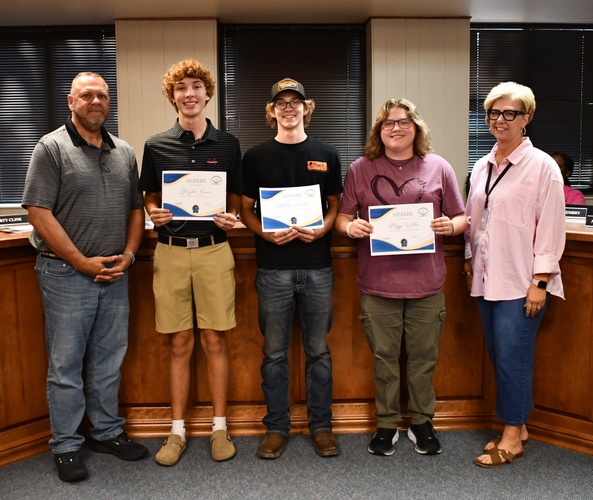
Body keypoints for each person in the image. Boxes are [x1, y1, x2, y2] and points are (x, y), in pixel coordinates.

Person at [22, 72, 148, 482]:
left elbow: (135, 209)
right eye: (87, 95)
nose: (96, 101)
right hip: (65, 275)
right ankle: (66, 444)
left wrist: (129, 255)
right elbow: (39, 212)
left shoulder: (123, 151)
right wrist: (80, 261)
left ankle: (106, 431)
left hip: (115, 273)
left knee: (108, 361)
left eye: (103, 96)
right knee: (66, 364)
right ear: (71, 101)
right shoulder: (51, 147)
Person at [335, 98, 467, 457]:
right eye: (388, 123)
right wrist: (353, 228)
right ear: (379, 130)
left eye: (404, 122)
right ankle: (387, 424)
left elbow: (462, 217)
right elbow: (342, 218)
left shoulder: (438, 167)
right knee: (384, 358)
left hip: (427, 282)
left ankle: (422, 422)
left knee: (424, 358)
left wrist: (449, 225)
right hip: (379, 283)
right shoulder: (361, 168)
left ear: (417, 127)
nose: (396, 128)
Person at [139, 59, 243, 465]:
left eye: (196, 85)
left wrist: (231, 216)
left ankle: (220, 427)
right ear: (173, 97)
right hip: (170, 252)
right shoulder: (156, 144)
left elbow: (235, 197)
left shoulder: (228, 144)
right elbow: (149, 195)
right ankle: (177, 431)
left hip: (215, 250)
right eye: (181, 87)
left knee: (215, 339)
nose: (189, 93)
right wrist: (154, 211)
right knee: (179, 341)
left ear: (207, 93)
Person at [464, 81, 565, 467]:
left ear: (527, 118)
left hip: (522, 281)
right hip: (487, 278)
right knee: (499, 354)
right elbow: (476, 219)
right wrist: (469, 257)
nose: (500, 120)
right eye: (494, 112)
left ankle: (513, 436)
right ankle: (518, 426)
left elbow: (551, 229)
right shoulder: (482, 163)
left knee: (513, 358)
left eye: (510, 113)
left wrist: (540, 282)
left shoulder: (542, 167)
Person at [240, 78, 343, 459]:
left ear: (306, 109)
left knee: (319, 352)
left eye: (295, 102)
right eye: (280, 103)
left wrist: (324, 229)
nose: (288, 108)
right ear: (271, 112)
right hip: (274, 269)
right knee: (274, 354)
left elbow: (335, 204)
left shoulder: (327, 153)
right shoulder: (255, 157)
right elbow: (245, 210)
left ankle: (322, 427)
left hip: (317, 267)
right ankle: (277, 428)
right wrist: (265, 235)